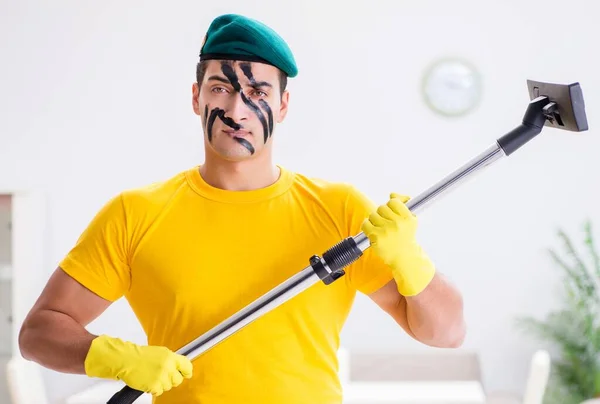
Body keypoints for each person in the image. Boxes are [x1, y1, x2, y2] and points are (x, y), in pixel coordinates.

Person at [18, 13, 466, 404]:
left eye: (256, 90)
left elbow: (446, 335)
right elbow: (38, 333)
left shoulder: (340, 211)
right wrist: (113, 358)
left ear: (282, 104)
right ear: (196, 98)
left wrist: (411, 261)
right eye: (220, 87)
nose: (237, 109)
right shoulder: (134, 214)